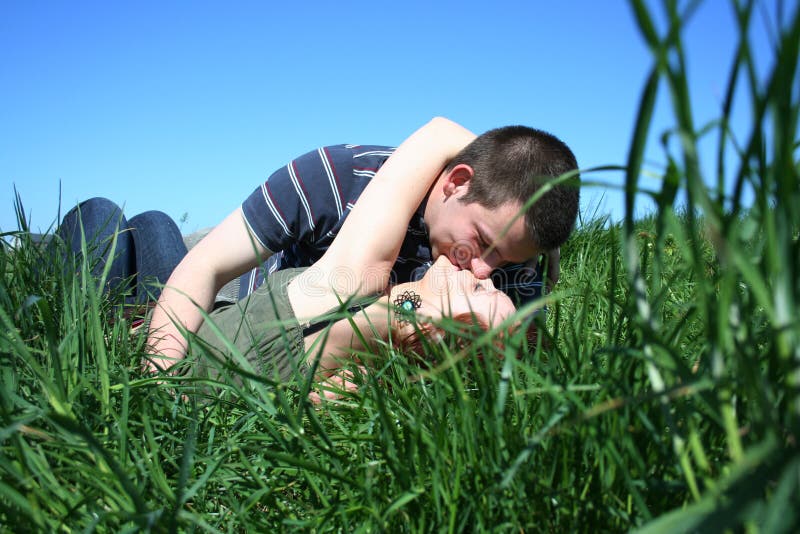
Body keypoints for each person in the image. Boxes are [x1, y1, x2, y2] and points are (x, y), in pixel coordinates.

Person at [146, 117, 580, 373]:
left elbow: (527, 364)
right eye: (483, 242)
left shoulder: (513, 251)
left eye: (508, 258)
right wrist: (159, 385)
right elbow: (206, 267)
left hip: (312, 351)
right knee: (149, 233)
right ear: (457, 182)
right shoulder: (336, 177)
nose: (486, 270)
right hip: (245, 303)